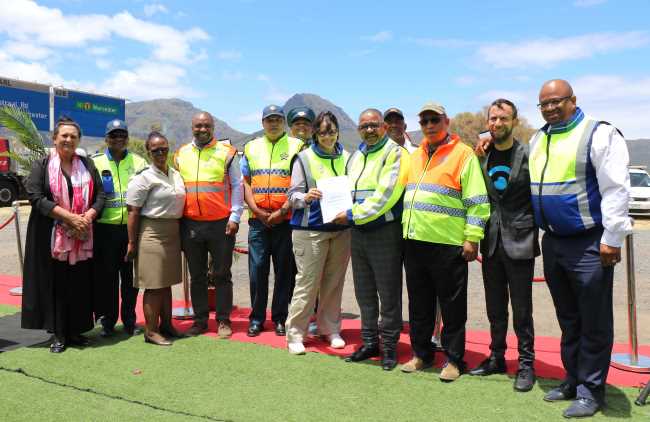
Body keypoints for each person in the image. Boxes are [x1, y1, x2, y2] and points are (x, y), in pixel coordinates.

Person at [529, 80, 631, 418]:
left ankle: (591, 391)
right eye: (543, 104)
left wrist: (612, 238)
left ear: (573, 100)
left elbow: (616, 189)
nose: (549, 108)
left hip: (589, 242)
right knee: (569, 319)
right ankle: (573, 379)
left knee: (594, 321)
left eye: (556, 101)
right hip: (553, 242)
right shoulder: (538, 138)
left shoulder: (598, 134)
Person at [400, 102, 489, 382]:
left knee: (452, 308)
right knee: (419, 305)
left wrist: (472, 238)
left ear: (446, 122)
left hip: (448, 244)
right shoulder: (415, 155)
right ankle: (422, 354)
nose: (429, 125)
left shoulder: (463, 155)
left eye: (434, 120)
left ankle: (453, 360)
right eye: (424, 121)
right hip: (415, 241)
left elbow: (477, 201)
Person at [468, 99, 539, 393]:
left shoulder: (529, 154)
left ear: (515, 122)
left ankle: (526, 364)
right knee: (495, 307)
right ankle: (497, 357)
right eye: (493, 119)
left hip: (521, 241)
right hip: (491, 241)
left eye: (503, 118)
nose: (497, 123)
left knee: (522, 309)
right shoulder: (481, 155)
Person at [332, 108, 409, 371]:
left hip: (384, 231)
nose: (369, 130)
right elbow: (346, 191)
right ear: (358, 130)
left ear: (384, 127)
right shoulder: (356, 156)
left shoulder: (395, 153)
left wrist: (351, 215)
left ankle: (389, 347)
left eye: (374, 125)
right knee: (364, 291)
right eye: (364, 126)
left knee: (388, 293)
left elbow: (387, 195)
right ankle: (369, 342)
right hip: (358, 232)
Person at [21, 116, 105, 353]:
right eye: (64, 135)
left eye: (73, 136)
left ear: (78, 140)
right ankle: (58, 333)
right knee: (56, 284)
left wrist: (87, 217)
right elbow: (36, 197)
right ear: (55, 138)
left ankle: (76, 331)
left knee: (78, 283)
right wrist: (69, 218)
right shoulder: (42, 166)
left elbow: (101, 195)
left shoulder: (87, 165)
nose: (69, 139)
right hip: (51, 238)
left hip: (82, 235)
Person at [285, 111, 351, 354]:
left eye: (331, 131)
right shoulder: (303, 158)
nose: (327, 136)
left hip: (341, 230)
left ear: (337, 132)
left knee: (334, 282)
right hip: (310, 230)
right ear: (315, 134)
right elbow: (292, 196)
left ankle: (330, 328)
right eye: (322, 132)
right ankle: (295, 334)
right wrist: (305, 196)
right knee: (307, 283)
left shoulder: (348, 157)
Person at [175, 111, 243, 338]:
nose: (202, 129)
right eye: (198, 126)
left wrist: (235, 217)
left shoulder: (227, 153)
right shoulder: (181, 154)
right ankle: (200, 320)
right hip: (191, 224)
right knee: (197, 276)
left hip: (221, 224)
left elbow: (237, 185)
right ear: (192, 127)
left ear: (213, 127)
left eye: (206, 126)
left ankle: (223, 320)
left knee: (222, 274)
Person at [241, 105, 304, 336]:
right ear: (262, 123)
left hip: (285, 220)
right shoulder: (251, 147)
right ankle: (256, 318)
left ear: (284, 122)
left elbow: (300, 183)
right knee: (257, 270)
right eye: (269, 119)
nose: (274, 123)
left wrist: (283, 210)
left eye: (278, 119)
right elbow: (246, 181)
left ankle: (280, 317)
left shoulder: (297, 146)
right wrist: (255, 210)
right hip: (257, 220)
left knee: (284, 272)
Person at [126, 132, 186, 346]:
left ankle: (167, 325)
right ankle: (150, 331)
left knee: (166, 283)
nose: (160, 153)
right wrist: (132, 242)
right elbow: (132, 211)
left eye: (164, 148)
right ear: (148, 152)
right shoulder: (143, 177)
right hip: (152, 232)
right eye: (155, 150)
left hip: (172, 231)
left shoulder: (175, 174)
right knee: (154, 285)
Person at [92, 119, 148, 337]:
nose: (118, 139)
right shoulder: (95, 162)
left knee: (130, 280)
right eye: (114, 135)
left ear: (127, 138)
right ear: (106, 139)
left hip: (131, 231)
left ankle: (129, 321)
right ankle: (108, 322)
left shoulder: (139, 162)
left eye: (122, 135)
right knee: (107, 279)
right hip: (104, 230)